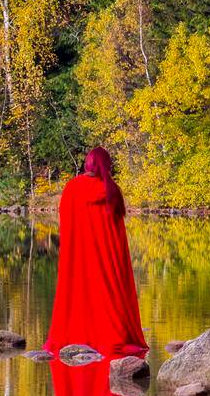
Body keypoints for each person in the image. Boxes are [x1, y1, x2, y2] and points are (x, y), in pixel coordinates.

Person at [44, 147, 148, 358]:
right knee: (106, 294)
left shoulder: (72, 188)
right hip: (104, 260)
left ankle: (77, 337)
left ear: (87, 164)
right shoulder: (110, 190)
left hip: (77, 259)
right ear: (106, 166)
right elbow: (116, 235)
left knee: (78, 294)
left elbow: (67, 225)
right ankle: (109, 336)